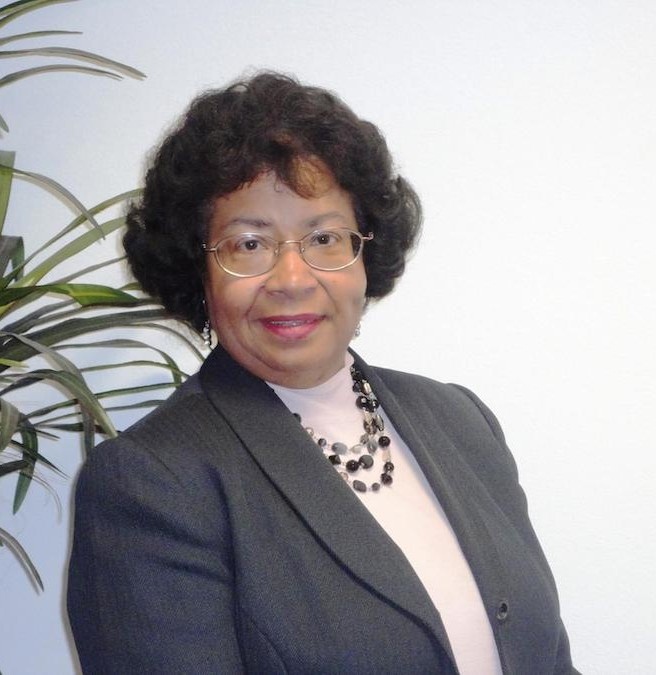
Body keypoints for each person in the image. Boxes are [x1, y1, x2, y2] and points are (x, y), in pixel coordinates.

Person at [67, 72, 578, 674]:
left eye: (325, 237)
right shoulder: (153, 483)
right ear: (198, 272)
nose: (291, 279)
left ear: (366, 255)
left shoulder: (461, 421)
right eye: (249, 244)